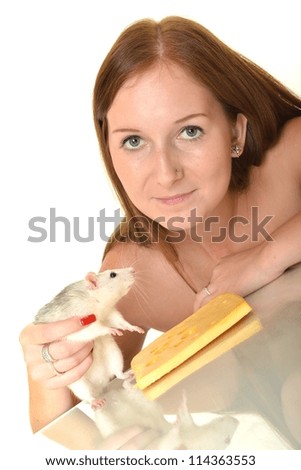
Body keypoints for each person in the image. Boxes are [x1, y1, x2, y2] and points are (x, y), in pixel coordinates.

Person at [20, 16, 301, 435]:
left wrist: (267, 259)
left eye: (190, 131)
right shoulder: (138, 269)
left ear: (235, 133)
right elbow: (71, 423)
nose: (165, 173)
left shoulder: (291, 157)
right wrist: (45, 374)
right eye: (134, 141)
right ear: (110, 151)